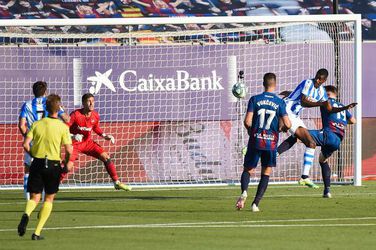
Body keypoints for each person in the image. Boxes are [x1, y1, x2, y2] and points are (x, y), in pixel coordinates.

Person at [277, 69, 355, 188]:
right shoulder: (308, 83)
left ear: (324, 80)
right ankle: (258, 149)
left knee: (311, 143)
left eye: (320, 79)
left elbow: (329, 109)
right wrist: (320, 103)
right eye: (317, 77)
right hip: (287, 110)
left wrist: (345, 107)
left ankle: (304, 177)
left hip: (295, 116)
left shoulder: (322, 92)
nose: (317, 80)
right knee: (284, 131)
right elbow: (303, 102)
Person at [17, 94, 73, 240]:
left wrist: (34, 154)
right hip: (54, 164)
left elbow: (25, 144)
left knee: (34, 197)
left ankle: (26, 214)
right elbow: (68, 150)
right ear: (58, 109)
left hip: (37, 163)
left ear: (46, 109)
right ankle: (36, 233)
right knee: (48, 199)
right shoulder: (62, 127)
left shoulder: (37, 124)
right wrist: (66, 162)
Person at [236, 73, 291, 212]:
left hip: (255, 140)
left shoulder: (255, 99)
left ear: (263, 83)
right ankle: (255, 204)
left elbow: (247, 122)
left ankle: (244, 192)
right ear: (275, 84)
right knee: (266, 172)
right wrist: (282, 128)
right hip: (271, 143)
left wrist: (252, 131)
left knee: (248, 169)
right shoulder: (280, 102)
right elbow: (288, 124)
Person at [62, 93, 131, 191]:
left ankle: (116, 182)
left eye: (93, 101)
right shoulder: (75, 114)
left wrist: (105, 136)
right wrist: (73, 136)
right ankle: (51, 186)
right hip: (74, 144)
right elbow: (63, 129)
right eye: (88, 101)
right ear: (83, 103)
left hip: (88, 143)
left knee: (106, 157)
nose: (91, 104)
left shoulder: (95, 115)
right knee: (67, 167)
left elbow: (96, 127)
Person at [18, 81, 69, 200]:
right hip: (48, 140)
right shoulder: (50, 103)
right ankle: (47, 199)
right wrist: (62, 109)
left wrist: (27, 136)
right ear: (45, 91)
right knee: (49, 168)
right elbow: (67, 119)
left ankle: (29, 200)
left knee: (28, 168)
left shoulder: (27, 105)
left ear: (33, 92)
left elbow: (21, 125)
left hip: (32, 140)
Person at [307, 86, 356, 198]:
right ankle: (327, 191)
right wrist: (340, 123)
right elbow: (353, 121)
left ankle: (277, 152)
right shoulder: (342, 106)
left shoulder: (326, 102)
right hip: (337, 140)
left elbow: (308, 99)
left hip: (328, 134)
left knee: (300, 134)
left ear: (327, 94)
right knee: (322, 159)